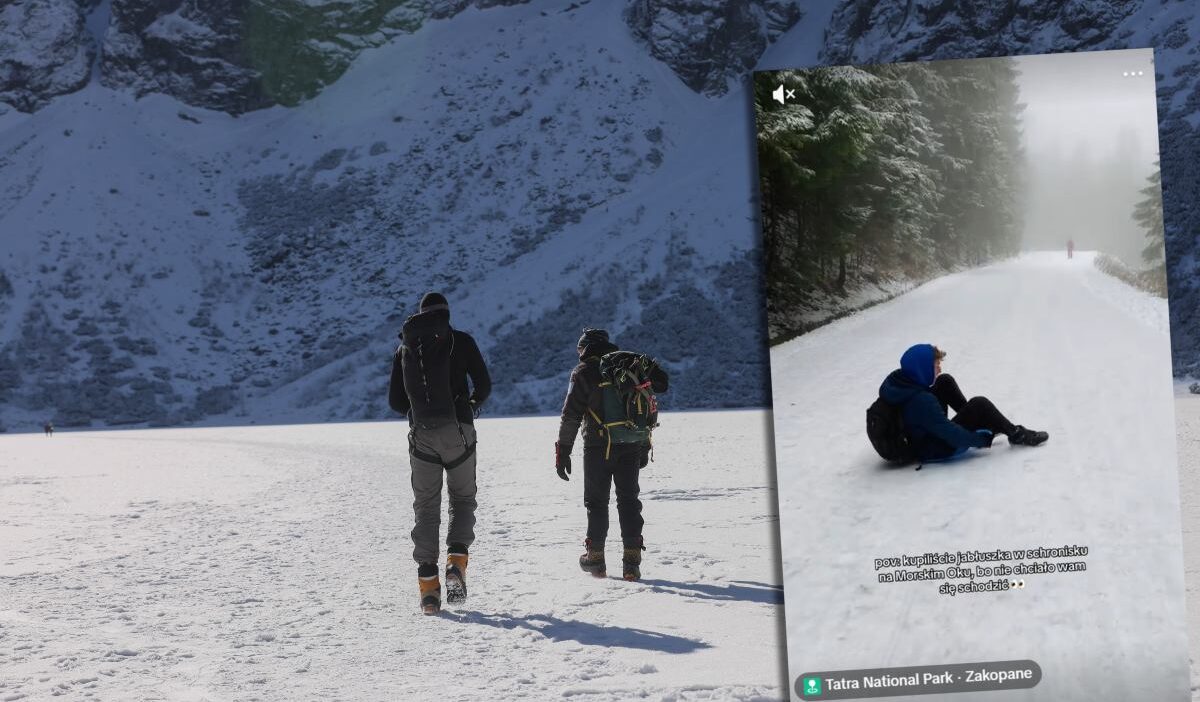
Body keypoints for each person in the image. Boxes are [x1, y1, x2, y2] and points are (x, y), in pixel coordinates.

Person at [388, 292, 491, 614]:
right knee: (462, 499)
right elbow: (484, 385)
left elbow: (395, 401)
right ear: (446, 314)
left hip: (421, 435)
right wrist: (469, 406)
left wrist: (418, 411)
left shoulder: (405, 348)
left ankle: (429, 590)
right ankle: (456, 563)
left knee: (426, 507)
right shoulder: (461, 341)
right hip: (458, 431)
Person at [555, 328, 668, 581]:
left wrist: (562, 451)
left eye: (579, 349)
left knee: (596, 503)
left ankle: (595, 559)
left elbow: (571, 415)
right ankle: (632, 563)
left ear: (585, 348)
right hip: (631, 444)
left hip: (598, 447)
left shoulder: (583, 372)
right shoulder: (628, 367)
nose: (579, 353)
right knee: (629, 500)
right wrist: (643, 445)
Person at [879, 344, 1047, 463]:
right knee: (980, 403)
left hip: (920, 432)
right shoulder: (921, 402)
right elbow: (951, 435)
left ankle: (977, 420)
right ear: (922, 369)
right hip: (934, 448)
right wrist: (980, 439)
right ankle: (1017, 435)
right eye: (936, 365)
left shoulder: (901, 380)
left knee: (944, 381)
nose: (939, 368)